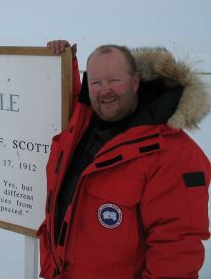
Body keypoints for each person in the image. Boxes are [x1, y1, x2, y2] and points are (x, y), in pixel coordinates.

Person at [37, 40, 211, 278]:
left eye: (114, 81)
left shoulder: (174, 154)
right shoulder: (83, 123)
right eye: (96, 82)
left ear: (136, 81)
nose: (104, 90)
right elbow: (72, 96)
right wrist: (65, 60)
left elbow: (175, 252)